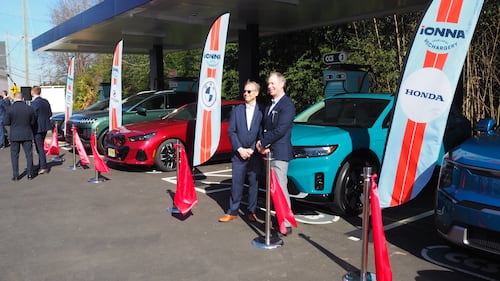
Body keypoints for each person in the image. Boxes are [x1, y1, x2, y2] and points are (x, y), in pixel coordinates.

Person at [256, 72, 296, 235]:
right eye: (268, 84)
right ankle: (277, 218)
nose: (269, 86)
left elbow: (281, 130)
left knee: (280, 187)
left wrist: (264, 142)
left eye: (273, 83)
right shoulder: (269, 105)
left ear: (282, 84)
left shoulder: (287, 105)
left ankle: (286, 222)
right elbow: (263, 127)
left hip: (279, 152)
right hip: (268, 152)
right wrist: (261, 142)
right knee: (272, 188)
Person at [219, 80, 263, 223]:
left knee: (253, 184)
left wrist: (251, 149)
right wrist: (239, 149)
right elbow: (231, 131)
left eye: (249, 91)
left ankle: (252, 211)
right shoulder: (237, 110)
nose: (245, 93)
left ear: (256, 93)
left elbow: (261, 133)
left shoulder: (262, 110)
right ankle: (232, 211)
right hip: (238, 154)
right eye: (244, 91)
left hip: (254, 154)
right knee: (236, 183)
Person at [3, 92, 35, 181]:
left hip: (14, 135)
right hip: (27, 134)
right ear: (23, 98)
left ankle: (16, 175)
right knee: (29, 154)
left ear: (14, 98)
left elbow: (6, 123)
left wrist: (9, 133)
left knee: (14, 155)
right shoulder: (29, 109)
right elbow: (33, 122)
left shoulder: (10, 109)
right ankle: (30, 174)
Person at [30, 86, 53, 175]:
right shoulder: (45, 101)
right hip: (45, 127)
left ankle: (43, 166)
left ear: (33, 92)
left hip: (37, 127)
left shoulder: (34, 103)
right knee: (40, 146)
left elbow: (33, 116)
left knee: (39, 147)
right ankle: (41, 164)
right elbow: (50, 113)